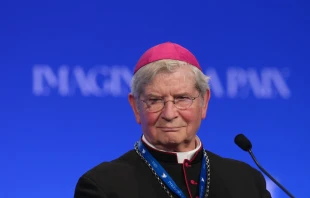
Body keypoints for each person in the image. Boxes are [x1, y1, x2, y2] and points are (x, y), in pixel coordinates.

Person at [74, 42, 272, 198]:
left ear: (204, 102)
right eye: (154, 100)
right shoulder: (102, 185)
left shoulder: (246, 181)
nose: (169, 114)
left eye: (182, 99)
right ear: (135, 107)